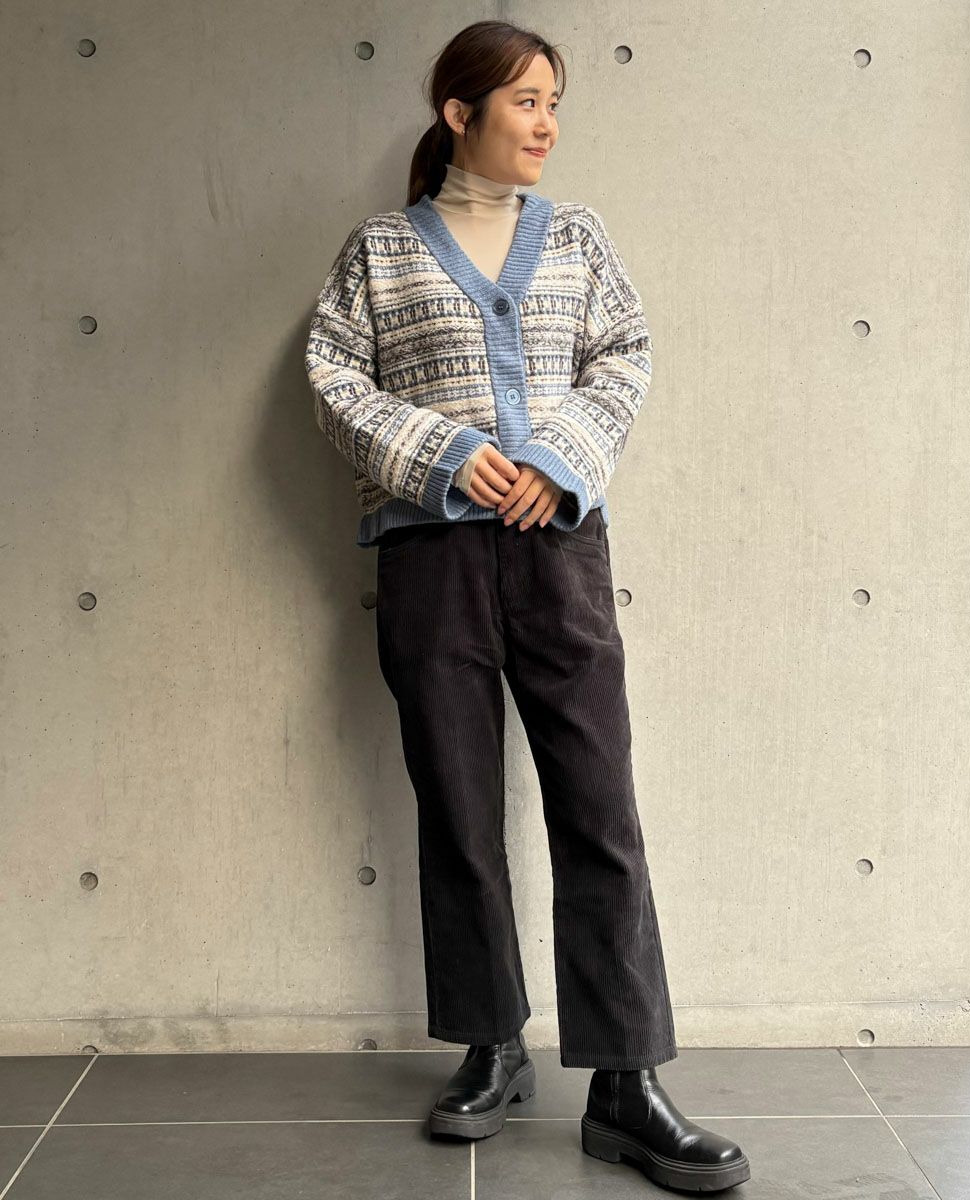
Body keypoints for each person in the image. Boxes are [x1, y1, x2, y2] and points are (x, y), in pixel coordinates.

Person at [304, 19, 750, 1194]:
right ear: (460, 114)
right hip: (431, 560)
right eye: (525, 101)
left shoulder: (580, 240)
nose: (547, 123)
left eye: (554, 101)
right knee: (458, 810)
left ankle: (625, 1085)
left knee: (599, 810)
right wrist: (449, 455)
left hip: (559, 551)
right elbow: (333, 377)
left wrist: (556, 459)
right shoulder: (380, 252)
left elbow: (625, 354)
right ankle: (490, 1046)